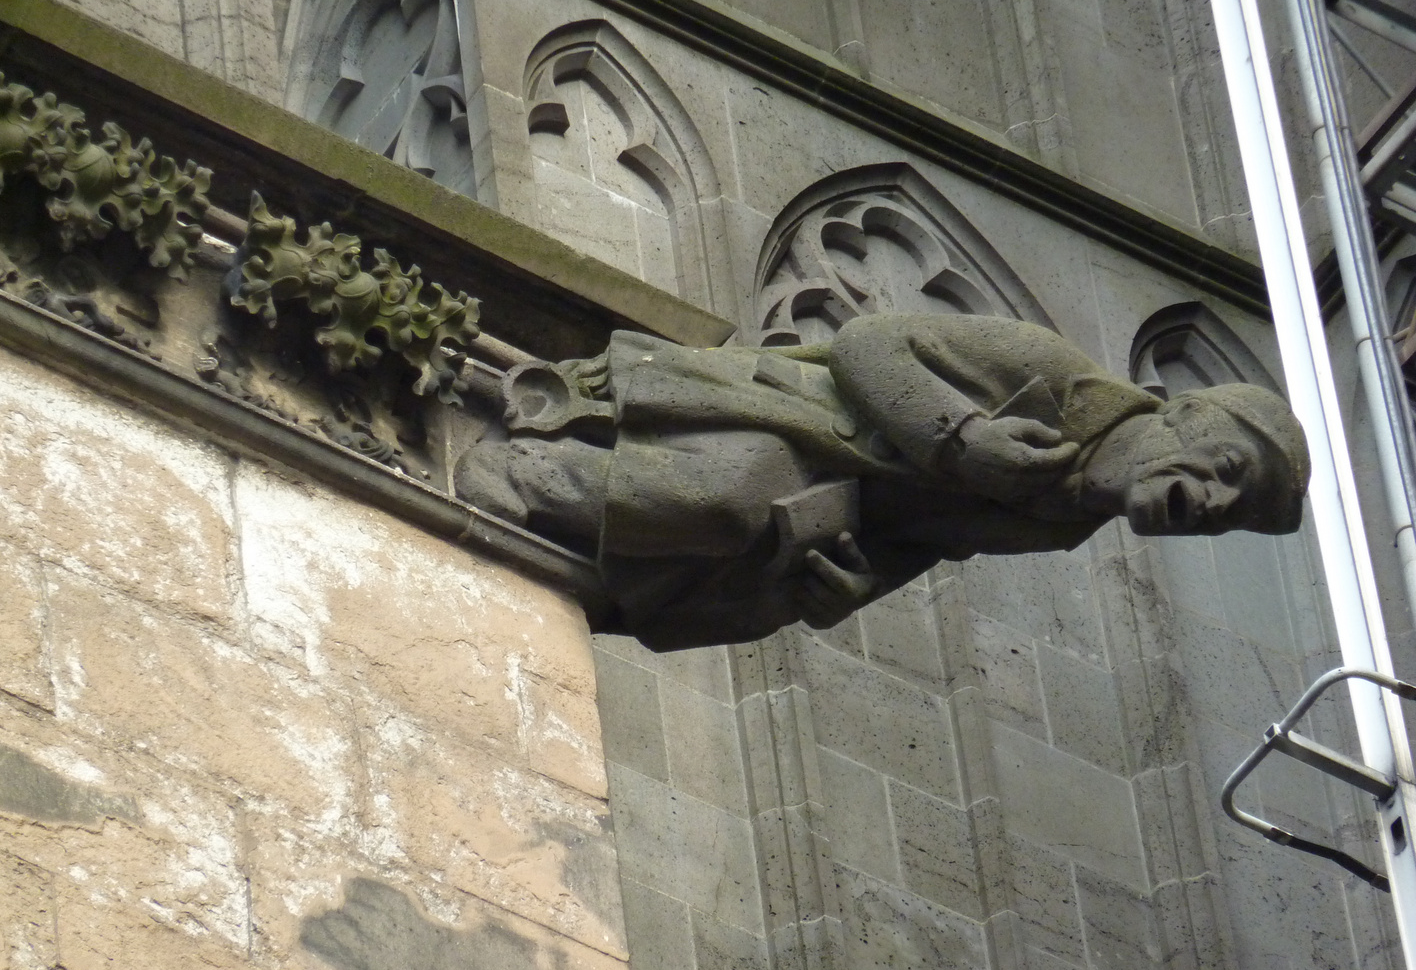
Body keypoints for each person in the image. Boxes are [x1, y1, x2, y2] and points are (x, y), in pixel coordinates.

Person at [455, 312, 1310, 651]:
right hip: (787, 420)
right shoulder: (1056, 379)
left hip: (829, 504)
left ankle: (578, 542)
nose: (1217, 504)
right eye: (1230, 471)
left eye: (1230, 517)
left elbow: (923, 541)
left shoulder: (1060, 521)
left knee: (746, 595)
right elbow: (867, 346)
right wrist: (960, 437)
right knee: (729, 501)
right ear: (1185, 416)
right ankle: (523, 476)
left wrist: (855, 587)